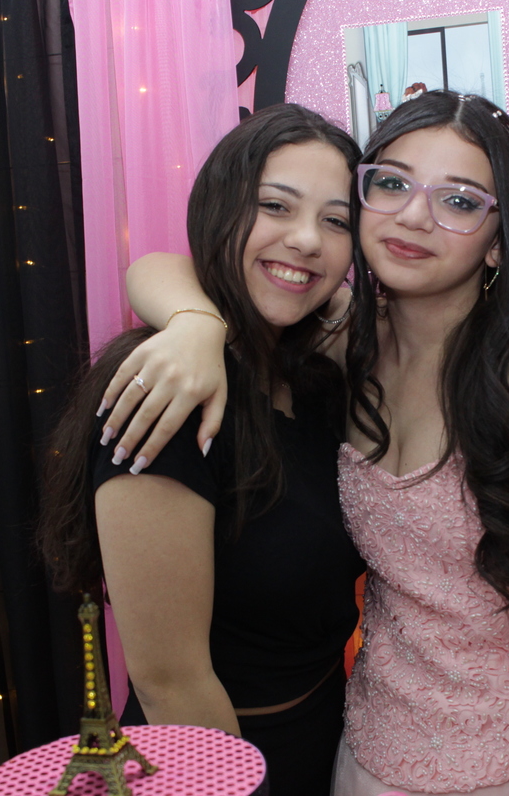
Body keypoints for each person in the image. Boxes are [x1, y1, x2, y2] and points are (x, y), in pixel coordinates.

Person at [102, 91, 509, 796]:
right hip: (367, 752)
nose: (413, 217)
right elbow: (165, 265)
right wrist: (194, 322)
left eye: (459, 201)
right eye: (393, 185)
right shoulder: (341, 346)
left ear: (499, 240)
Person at [37, 103, 367, 796]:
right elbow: (170, 682)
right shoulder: (169, 392)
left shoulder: (314, 377)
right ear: (221, 210)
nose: (308, 240)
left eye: (337, 221)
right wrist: (192, 324)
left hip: (336, 742)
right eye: (275, 206)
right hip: (218, 759)